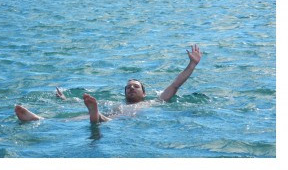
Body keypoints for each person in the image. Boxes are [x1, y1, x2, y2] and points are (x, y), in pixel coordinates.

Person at [15, 44, 203, 123]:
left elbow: (175, 85)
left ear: (144, 93)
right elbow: (75, 103)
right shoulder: (115, 103)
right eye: (128, 87)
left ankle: (96, 115)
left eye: (136, 86)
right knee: (82, 117)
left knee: (102, 118)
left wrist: (192, 64)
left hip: (120, 121)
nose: (131, 88)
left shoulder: (154, 102)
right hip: (110, 115)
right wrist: (64, 99)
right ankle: (39, 120)